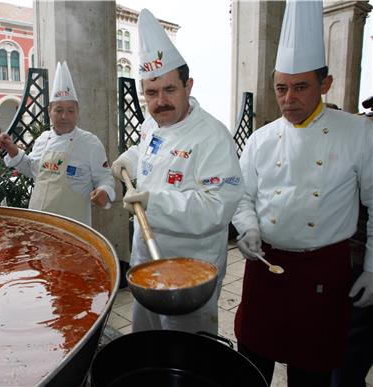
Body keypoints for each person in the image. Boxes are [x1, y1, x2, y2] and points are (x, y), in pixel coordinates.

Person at [231, 1, 373, 386]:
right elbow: (242, 196)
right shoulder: (260, 140)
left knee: (311, 375)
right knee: (251, 364)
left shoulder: (358, 133)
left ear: (324, 85)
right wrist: (247, 229)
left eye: (300, 87)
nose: (288, 98)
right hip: (264, 268)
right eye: (281, 88)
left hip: (322, 270)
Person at [110, 9, 243, 335]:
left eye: (170, 90)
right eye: (151, 93)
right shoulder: (151, 123)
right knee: (147, 339)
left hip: (191, 270)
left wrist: (154, 203)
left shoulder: (212, 136)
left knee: (185, 348)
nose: (160, 102)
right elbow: (149, 150)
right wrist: (129, 157)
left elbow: (218, 207)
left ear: (188, 85)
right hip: (147, 258)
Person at [0, 61, 116, 227]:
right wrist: (12, 149)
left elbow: (105, 178)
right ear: (49, 111)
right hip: (39, 224)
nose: (64, 116)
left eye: (70, 110)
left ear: (78, 112)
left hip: (74, 228)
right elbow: (32, 169)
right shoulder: (43, 139)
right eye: (59, 110)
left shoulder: (90, 143)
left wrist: (104, 192)